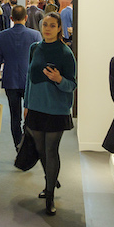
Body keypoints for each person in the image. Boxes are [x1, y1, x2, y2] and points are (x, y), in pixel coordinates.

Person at [25, 14, 77, 215]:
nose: (47, 28)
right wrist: (26, 103)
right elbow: (29, 77)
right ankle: (51, 180)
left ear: (59, 28)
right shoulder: (34, 48)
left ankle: (50, 195)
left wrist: (58, 78)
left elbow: (72, 85)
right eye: (45, 24)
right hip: (36, 107)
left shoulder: (66, 53)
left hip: (56, 109)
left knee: (51, 150)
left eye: (52, 25)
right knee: (41, 150)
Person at [0, 5, 40, 150]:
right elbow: (39, 60)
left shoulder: (3, 36)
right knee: (30, 113)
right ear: (26, 18)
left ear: (11, 18)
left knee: (14, 116)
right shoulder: (35, 35)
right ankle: (28, 141)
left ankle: (18, 144)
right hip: (29, 81)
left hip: (10, 80)